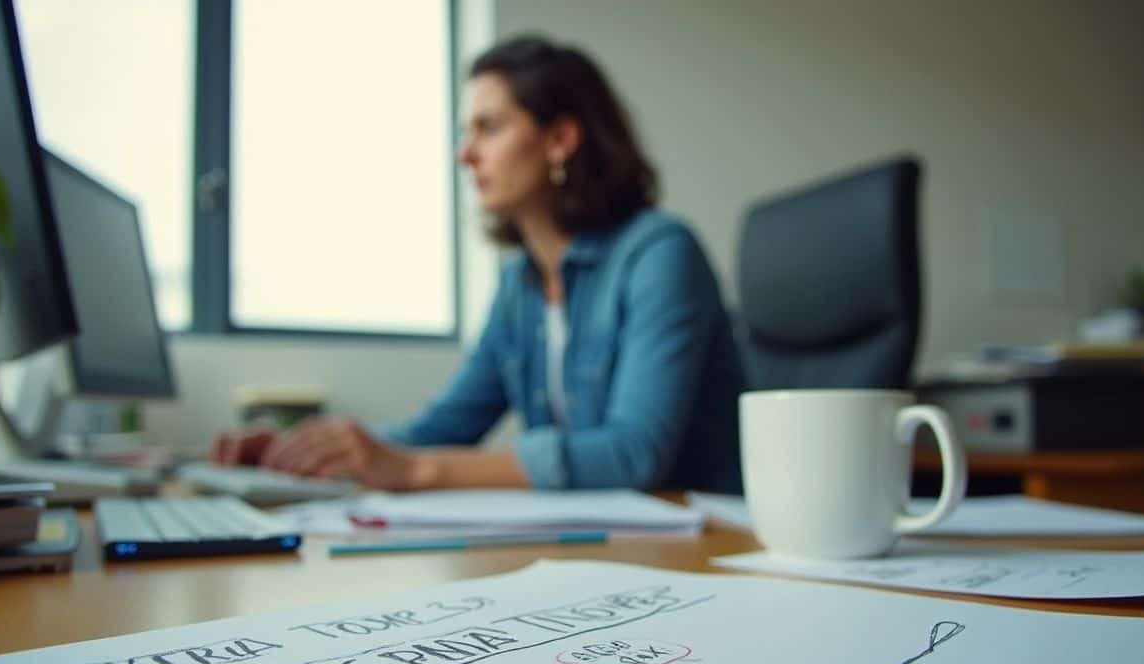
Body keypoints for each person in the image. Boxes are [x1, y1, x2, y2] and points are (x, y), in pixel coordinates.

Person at [212, 35, 745, 493]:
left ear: (560, 139)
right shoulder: (520, 284)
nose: (464, 155)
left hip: (708, 546)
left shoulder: (659, 252)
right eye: (465, 132)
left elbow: (634, 453)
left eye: (488, 128)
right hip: (609, 546)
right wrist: (311, 451)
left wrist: (418, 471)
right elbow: (443, 427)